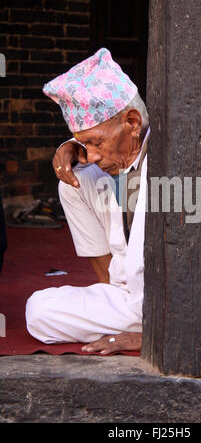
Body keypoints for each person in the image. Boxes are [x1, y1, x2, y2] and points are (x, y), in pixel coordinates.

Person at [25, 48, 148, 354]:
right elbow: (91, 159)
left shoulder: (174, 163)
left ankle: (132, 316)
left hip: (179, 312)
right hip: (135, 297)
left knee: (39, 312)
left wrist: (157, 336)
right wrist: (74, 148)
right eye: (84, 143)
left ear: (132, 122)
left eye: (95, 142)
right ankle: (115, 296)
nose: (91, 155)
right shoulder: (126, 151)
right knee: (75, 180)